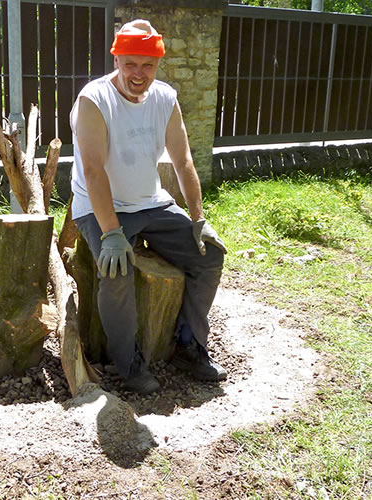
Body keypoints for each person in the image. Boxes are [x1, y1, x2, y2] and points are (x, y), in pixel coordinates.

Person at [70, 19, 227, 395]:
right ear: (118, 58)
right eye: (131, 64)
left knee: (209, 256)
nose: (139, 74)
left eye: (148, 65)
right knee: (117, 269)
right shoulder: (94, 99)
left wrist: (198, 219)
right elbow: (93, 171)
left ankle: (188, 345)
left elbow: (183, 161)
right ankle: (128, 364)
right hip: (99, 206)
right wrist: (110, 233)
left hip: (150, 203)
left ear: (158, 64)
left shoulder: (165, 98)